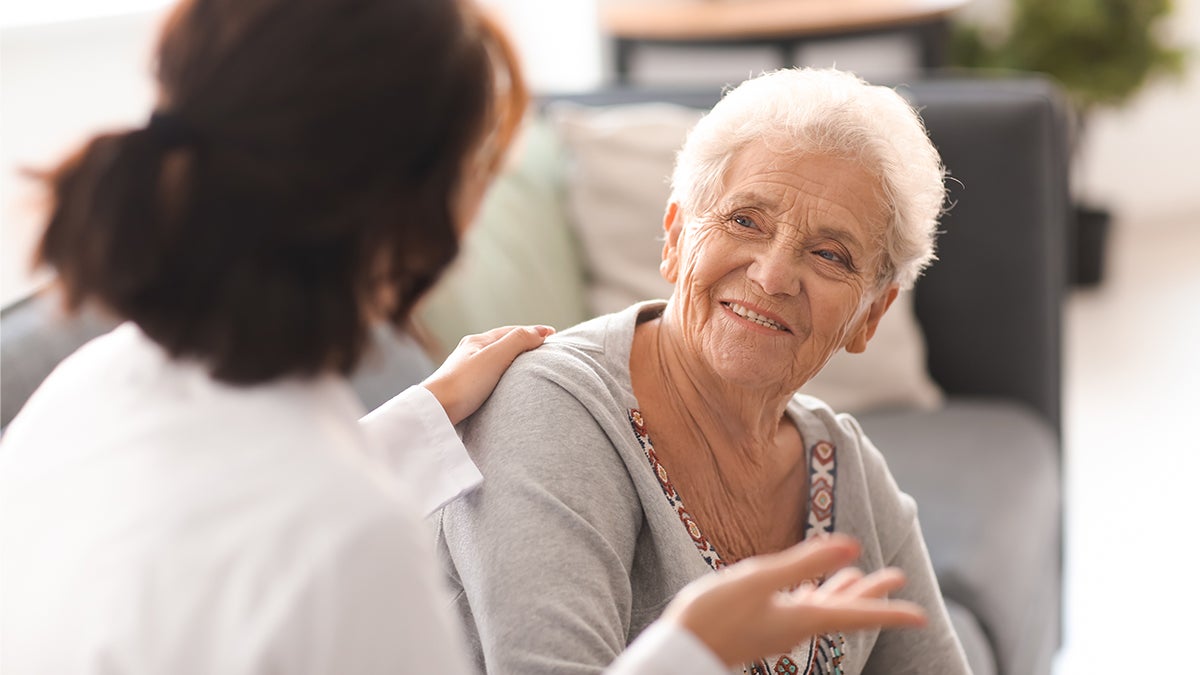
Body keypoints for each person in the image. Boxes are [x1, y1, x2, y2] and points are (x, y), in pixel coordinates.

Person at [0, 1, 928, 674]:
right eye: (483, 159)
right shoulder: (345, 531)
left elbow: (218, 537)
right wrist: (693, 651)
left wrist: (418, 423)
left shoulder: (88, 392)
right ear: (421, 212)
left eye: (832, 255)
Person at [436, 67, 974, 675]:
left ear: (870, 316)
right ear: (674, 237)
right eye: (745, 220)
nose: (772, 276)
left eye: (830, 255)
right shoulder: (551, 409)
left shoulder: (847, 471)